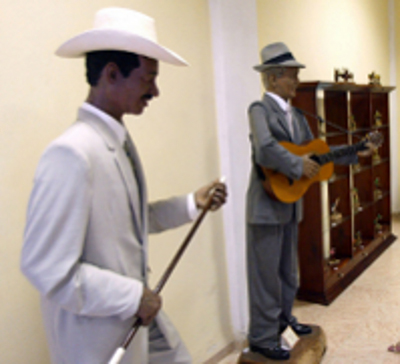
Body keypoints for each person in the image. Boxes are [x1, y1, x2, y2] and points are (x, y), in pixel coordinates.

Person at [20, 7, 227, 364]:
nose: (156, 91)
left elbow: (128, 222)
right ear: (112, 74)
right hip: (98, 340)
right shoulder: (71, 153)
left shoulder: (116, 142)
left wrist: (193, 203)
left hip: (137, 319)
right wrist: (133, 297)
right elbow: (45, 266)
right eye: (149, 79)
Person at [245, 42, 375, 361]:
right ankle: (262, 337)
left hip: (291, 203)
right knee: (264, 276)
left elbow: (315, 152)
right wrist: (295, 165)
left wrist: (353, 152)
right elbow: (265, 149)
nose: (296, 80)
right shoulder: (259, 110)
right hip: (265, 207)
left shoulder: (297, 115)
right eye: (291, 75)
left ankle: (284, 322)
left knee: (289, 271)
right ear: (273, 78)